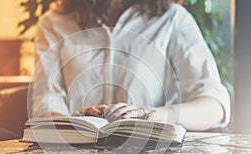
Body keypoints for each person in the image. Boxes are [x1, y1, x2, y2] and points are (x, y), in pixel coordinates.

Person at [32, 0, 230, 131]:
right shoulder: (53, 23)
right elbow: (47, 101)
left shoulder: (173, 19)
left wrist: (153, 116)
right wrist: (73, 127)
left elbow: (215, 105)